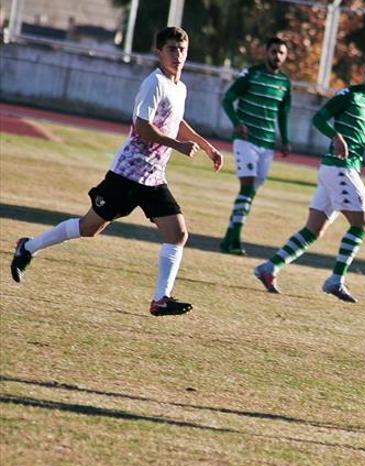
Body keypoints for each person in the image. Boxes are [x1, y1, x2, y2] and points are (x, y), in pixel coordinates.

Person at [9, 27, 223, 316]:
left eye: (182, 49)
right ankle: (28, 247)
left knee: (177, 233)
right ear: (158, 52)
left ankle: (161, 299)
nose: (178, 55)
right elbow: (142, 126)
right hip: (127, 174)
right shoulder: (154, 83)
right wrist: (178, 145)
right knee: (89, 228)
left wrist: (206, 146)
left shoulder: (179, 87)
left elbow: (176, 120)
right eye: (171, 49)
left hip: (153, 177)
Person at [253, 52, 365, 302]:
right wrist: (335, 136)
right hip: (339, 167)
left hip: (339, 170)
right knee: (361, 224)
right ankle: (336, 280)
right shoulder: (350, 95)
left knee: (314, 229)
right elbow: (319, 118)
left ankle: (269, 268)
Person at [218, 37, 292, 255]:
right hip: (246, 140)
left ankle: (227, 238)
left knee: (249, 193)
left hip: (267, 144)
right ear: (266, 52)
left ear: (285, 56)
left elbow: (283, 114)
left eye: (281, 52)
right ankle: (236, 239)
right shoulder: (252, 74)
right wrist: (237, 123)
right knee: (248, 187)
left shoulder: (285, 83)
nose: (277, 56)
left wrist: (285, 139)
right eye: (274, 51)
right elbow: (227, 99)